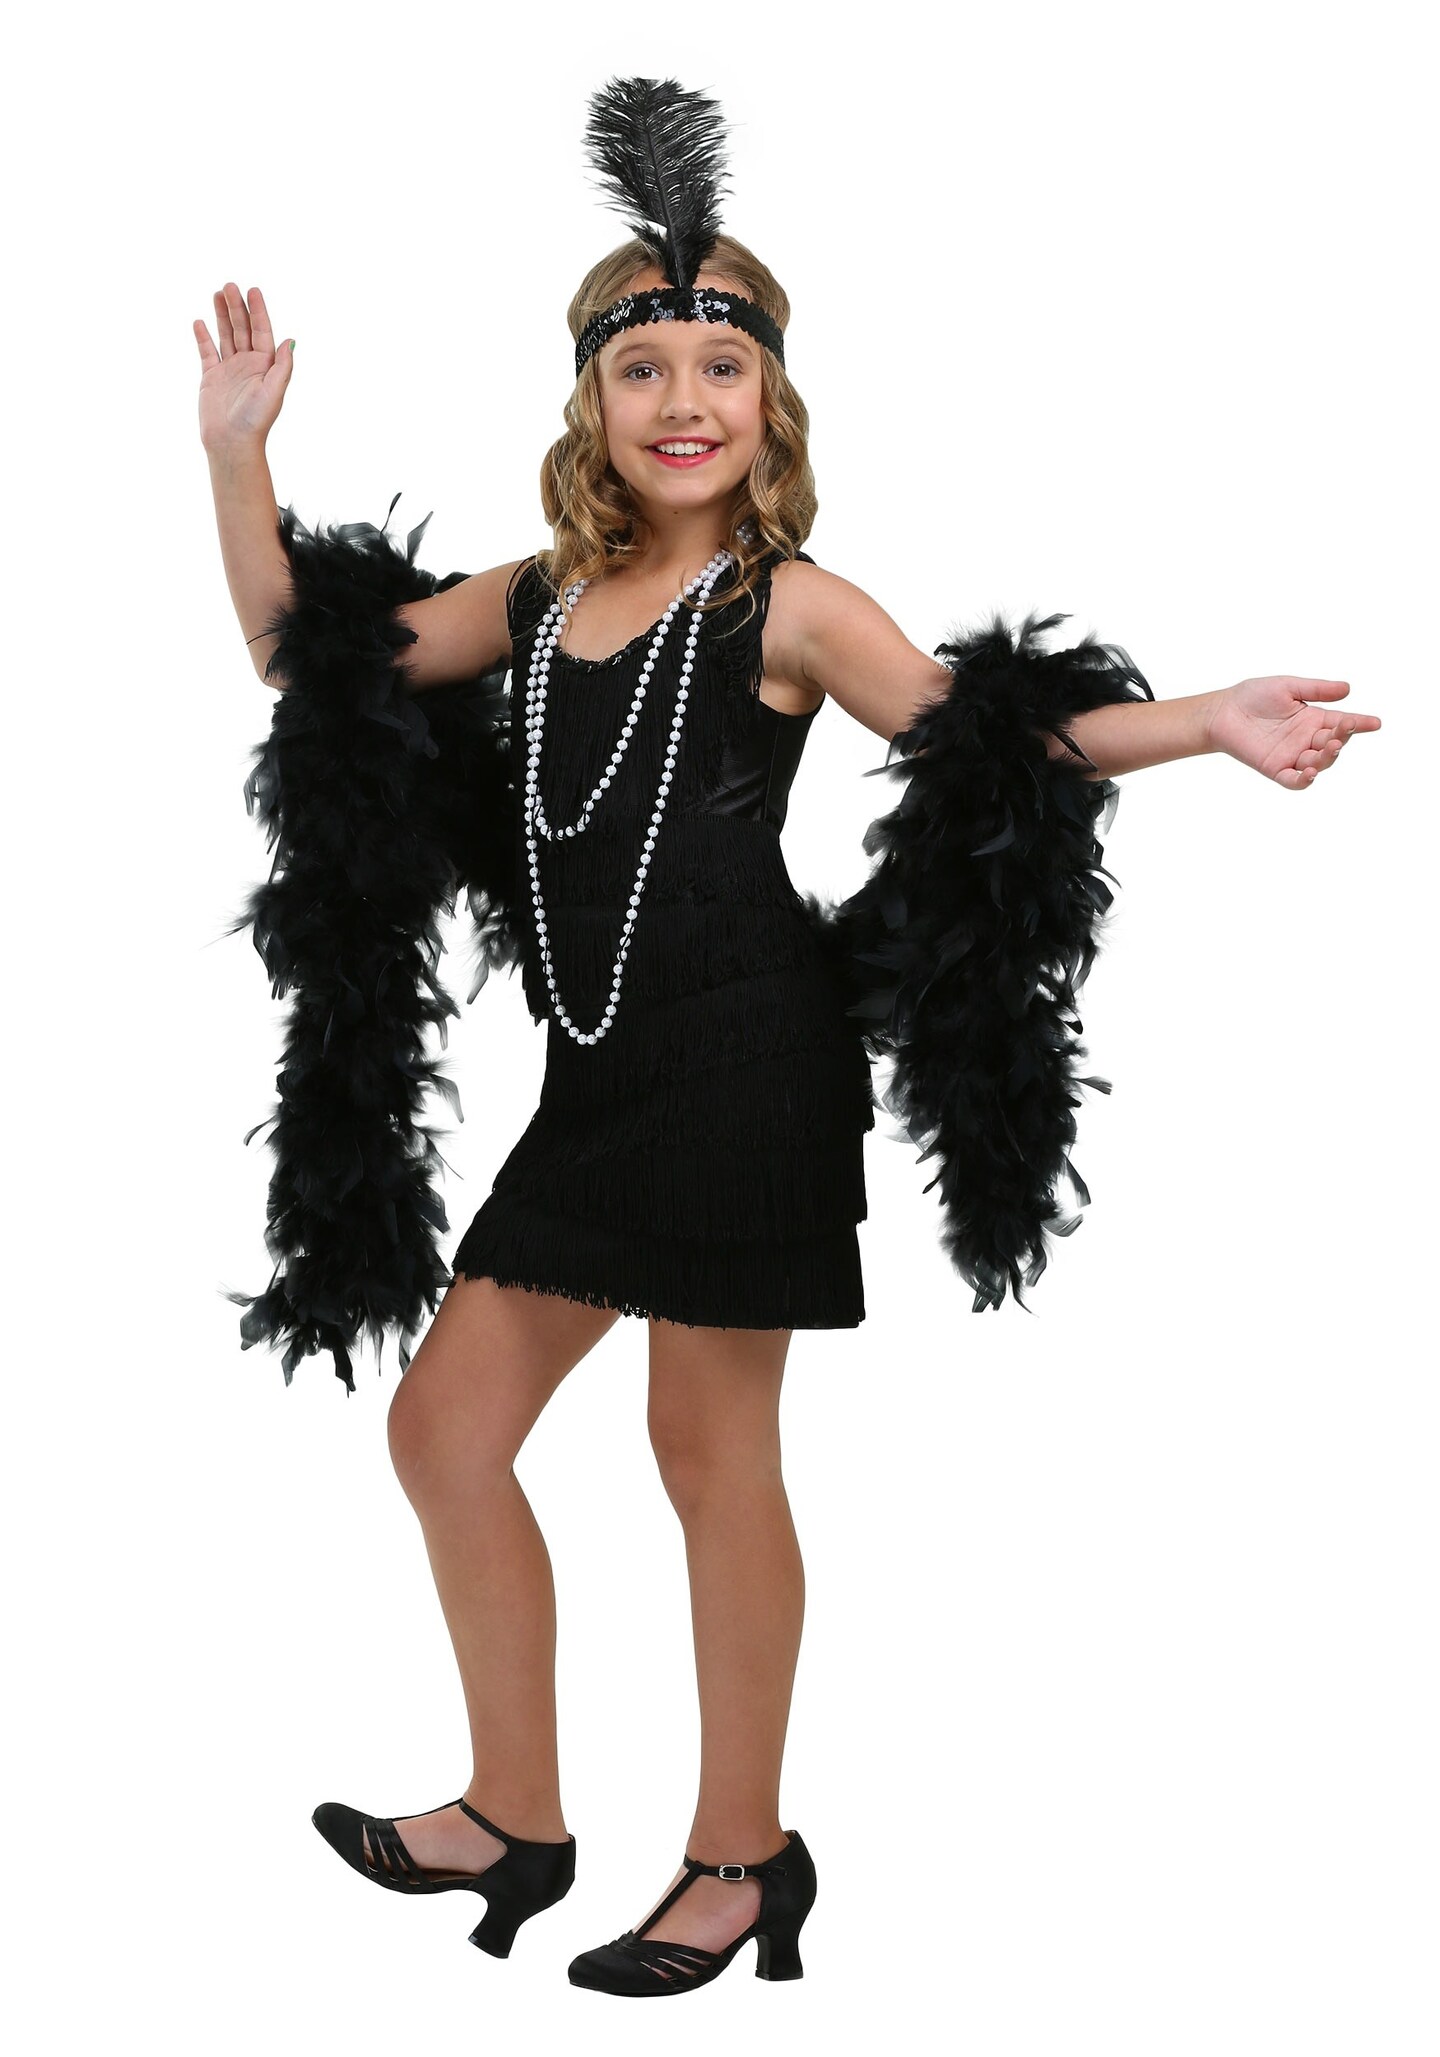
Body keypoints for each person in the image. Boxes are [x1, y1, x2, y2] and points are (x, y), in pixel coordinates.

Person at [195, 78, 1378, 2000]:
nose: (683, 400)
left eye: (720, 368)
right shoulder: (541, 596)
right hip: (600, 1074)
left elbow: (991, 737)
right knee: (444, 1429)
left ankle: (742, 1857)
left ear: (771, 403)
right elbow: (306, 660)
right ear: (591, 403)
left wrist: (1206, 720)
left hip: (752, 1061)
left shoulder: (792, 604)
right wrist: (237, 456)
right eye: (642, 367)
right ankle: (514, 1809)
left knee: (707, 1447)